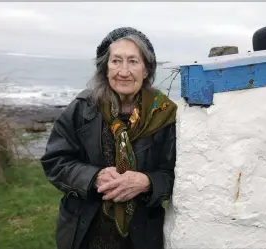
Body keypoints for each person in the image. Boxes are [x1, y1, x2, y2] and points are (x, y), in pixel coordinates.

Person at [40, 27, 177, 249]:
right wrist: (93, 177)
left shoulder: (164, 114)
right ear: (105, 67)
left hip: (141, 236)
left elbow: (177, 174)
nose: (124, 71)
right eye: (116, 61)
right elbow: (55, 161)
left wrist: (147, 182)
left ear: (146, 70)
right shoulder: (83, 108)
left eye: (133, 61)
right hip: (84, 233)